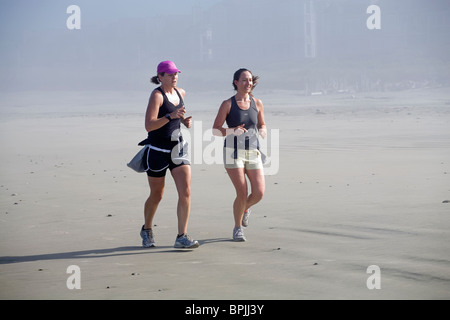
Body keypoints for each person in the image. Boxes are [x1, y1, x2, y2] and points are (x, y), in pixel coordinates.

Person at [139, 60, 199, 249]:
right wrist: (169, 117)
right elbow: (149, 125)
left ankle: (182, 236)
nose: (175, 77)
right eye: (170, 74)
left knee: (186, 191)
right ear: (160, 77)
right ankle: (147, 229)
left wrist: (183, 122)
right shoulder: (157, 96)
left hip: (177, 148)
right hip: (157, 150)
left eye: (176, 74)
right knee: (157, 194)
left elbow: (177, 117)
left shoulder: (181, 93)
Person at [212, 68, 266, 241]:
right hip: (232, 152)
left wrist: (263, 131)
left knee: (259, 193)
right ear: (236, 82)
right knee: (242, 192)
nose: (248, 83)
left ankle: (244, 209)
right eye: (244, 80)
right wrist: (232, 130)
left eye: (250, 80)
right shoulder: (227, 104)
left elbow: (262, 124)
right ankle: (237, 228)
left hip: (253, 151)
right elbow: (216, 130)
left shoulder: (257, 103)